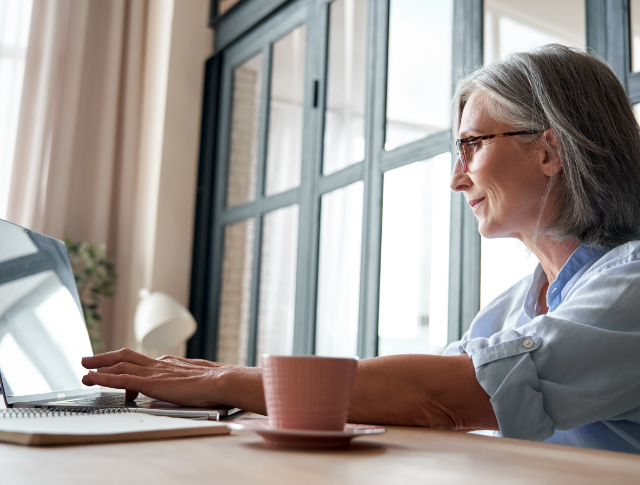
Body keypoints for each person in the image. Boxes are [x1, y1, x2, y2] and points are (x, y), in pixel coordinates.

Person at [82, 44, 640, 454]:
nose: (456, 178)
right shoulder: (515, 304)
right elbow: (416, 397)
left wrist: (223, 381)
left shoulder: (630, 284)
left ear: (549, 149)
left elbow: (446, 397)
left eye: (470, 145)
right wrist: (225, 386)